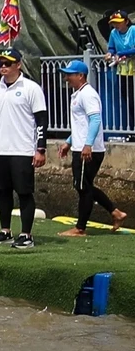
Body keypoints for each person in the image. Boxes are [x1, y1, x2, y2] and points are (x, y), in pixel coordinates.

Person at [0, 48, 47, 249]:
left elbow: (41, 119)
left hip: (22, 149)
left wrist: (41, 148)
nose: (3, 67)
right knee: (3, 191)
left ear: (18, 65)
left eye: (7, 63)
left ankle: (26, 234)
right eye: (1, 64)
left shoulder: (31, 88)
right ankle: (5, 230)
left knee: (24, 192)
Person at [59, 58, 124, 235]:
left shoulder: (88, 94)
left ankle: (80, 228)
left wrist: (87, 145)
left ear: (81, 75)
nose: (66, 78)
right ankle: (115, 212)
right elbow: (82, 124)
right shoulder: (79, 94)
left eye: (69, 75)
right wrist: (69, 142)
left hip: (87, 150)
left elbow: (95, 119)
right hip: (80, 146)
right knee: (84, 186)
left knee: (83, 187)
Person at [101, 10, 135, 138]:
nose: (116, 25)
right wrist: (110, 53)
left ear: (126, 21)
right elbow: (111, 48)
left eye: (118, 23)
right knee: (129, 101)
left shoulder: (133, 30)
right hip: (123, 71)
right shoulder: (113, 33)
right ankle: (133, 130)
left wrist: (121, 53)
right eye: (114, 23)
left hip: (134, 69)